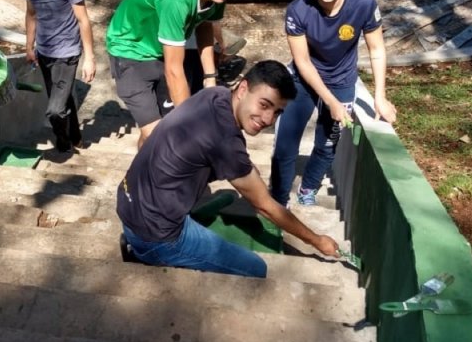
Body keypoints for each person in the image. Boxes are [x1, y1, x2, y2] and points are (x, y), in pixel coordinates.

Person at [117, 60, 342, 278]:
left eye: (277, 112)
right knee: (256, 268)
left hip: (129, 202)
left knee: (226, 194)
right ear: (243, 88)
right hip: (156, 235)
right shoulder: (225, 142)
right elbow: (266, 206)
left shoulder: (214, 95)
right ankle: (148, 257)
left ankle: (142, 244)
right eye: (264, 105)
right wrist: (317, 240)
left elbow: (231, 154)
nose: (268, 119)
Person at [269, 0, 398, 206]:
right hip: (303, 82)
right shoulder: (297, 11)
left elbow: (376, 49)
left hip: (342, 81)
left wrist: (380, 96)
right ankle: (278, 199)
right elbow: (302, 62)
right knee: (284, 146)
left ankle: (309, 188)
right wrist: (330, 101)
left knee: (327, 144)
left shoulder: (363, 4)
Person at [105, 0, 252, 147]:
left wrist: (210, 77)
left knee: (165, 123)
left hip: (158, 50)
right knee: (160, 135)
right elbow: (174, 70)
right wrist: (189, 127)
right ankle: (144, 175)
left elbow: (204, 25)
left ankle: (144, 169)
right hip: (129, 50)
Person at [17, 0, 96, 153]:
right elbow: (31, 14)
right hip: (44, 52)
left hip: (68, 53)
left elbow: (83, 20)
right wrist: (29, 47)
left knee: (54, 110)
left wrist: (89, 58)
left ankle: (62, 139)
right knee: (63, 98)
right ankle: (76, 135)